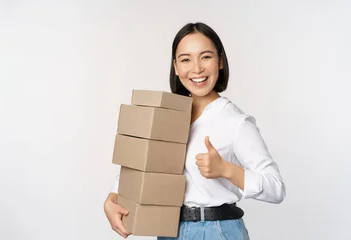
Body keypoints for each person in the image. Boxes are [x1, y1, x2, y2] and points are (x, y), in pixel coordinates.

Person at [103, 22, 286, 240]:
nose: (197, 68)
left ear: (220, 61)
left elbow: (276, 189)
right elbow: (143, 165)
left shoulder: (235, 122)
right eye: (186, 59)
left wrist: (226, 169)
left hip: (215, 231)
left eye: (206, 56)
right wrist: (112, 198)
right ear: (176, 66)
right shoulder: (169, 113)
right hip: (168, 229)